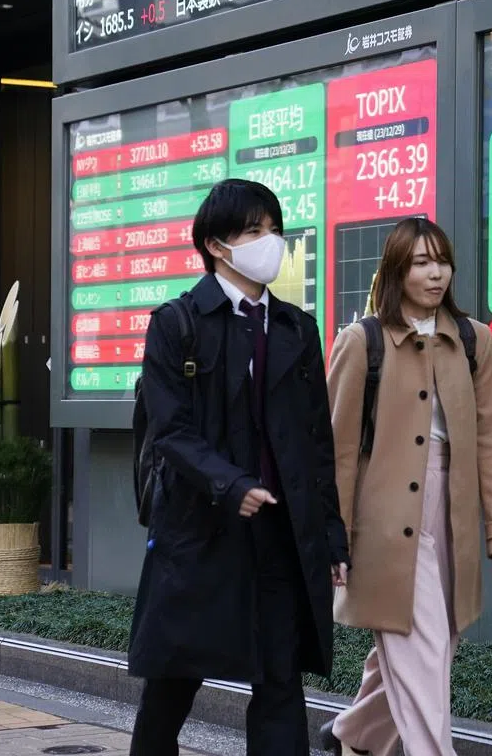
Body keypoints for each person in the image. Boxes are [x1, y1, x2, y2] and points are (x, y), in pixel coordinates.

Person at [127, 178, 350, 756]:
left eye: (274, 230)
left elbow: (314, 444)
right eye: (254, 231)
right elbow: (169, 430)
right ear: (217, 246)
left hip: (277, 534)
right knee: (174, 680)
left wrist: (330, 538)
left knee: (280, 680)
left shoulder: (298, 328)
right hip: (199, 533)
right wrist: (231, 484)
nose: (269, 242)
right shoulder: (176, 323)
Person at [320, 217, 492, 756]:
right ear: (396, 270)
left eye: (442, 261)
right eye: (420, 263)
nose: (435, 274)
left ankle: (353, 737)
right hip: (382, 519)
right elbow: (337, 450)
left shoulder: (473, 340)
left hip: (451, 509)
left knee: (436, 642)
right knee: (422, 647)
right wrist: (332, 533)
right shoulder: (361, 341)